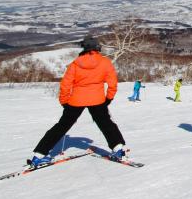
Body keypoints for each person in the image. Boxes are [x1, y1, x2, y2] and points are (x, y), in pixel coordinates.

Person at [28, 35, 128, 166]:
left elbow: (65, 85)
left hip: (76, 100)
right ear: (98, 48)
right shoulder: (105, 63)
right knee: (106, 124)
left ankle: (39, 155)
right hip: (97, 100)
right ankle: (118, 150)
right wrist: (108, 98)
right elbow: (113, 83)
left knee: (61, 126)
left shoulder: (75, 64)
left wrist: (64, 101)